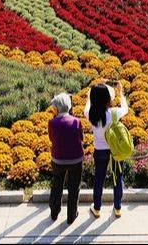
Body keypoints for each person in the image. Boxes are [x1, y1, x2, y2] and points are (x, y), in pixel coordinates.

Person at [84, 81, 129, 218]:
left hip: (100, 151)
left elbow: (88, 105)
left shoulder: (89, 114)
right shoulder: (114, 114)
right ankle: (117, 208)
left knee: (99, 179)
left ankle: (97, 209)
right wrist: (121, 94)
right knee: (117, 178)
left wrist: (88, 96)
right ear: (108, 99)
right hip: (115, 150)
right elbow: (125, 109)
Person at [48, 93, 84, 225]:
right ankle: (71, 215)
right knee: (74, 187)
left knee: (57, 184)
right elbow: (81, 138)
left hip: (58, 159)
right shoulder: (76, 121)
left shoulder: (52, 122)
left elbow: (51, 139)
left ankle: (54, 213)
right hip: (76, 159)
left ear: (57, 108)